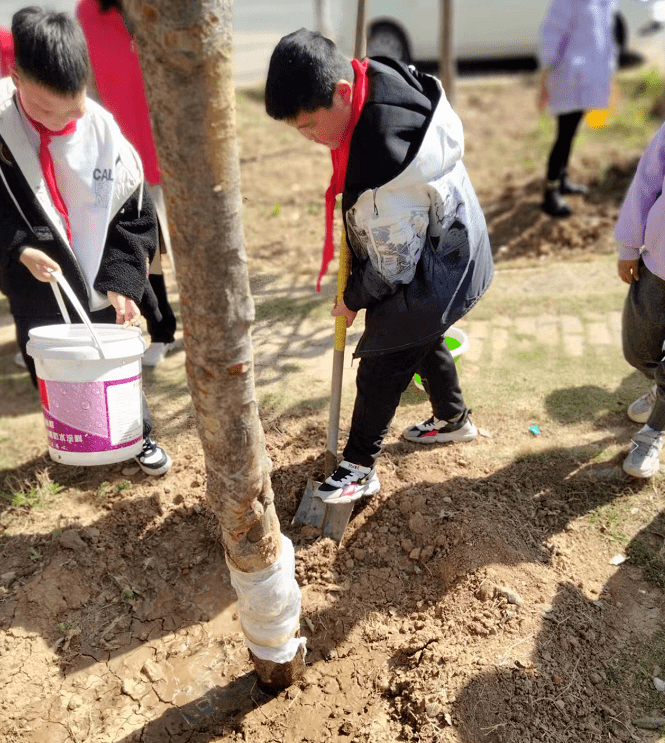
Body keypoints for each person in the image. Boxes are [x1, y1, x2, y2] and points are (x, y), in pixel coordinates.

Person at [264, 29, 493, 505]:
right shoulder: (375, 75)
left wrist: (351, 299)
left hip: (436, 262)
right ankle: (454, 420)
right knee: (421, 339)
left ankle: (359, 465)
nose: (308, 139)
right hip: (447, 234)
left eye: (308, 125)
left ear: (342, 92)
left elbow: (393, 268)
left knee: (382, 362)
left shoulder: (387, 167)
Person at [0, 7, 171, 476]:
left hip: (98, 282)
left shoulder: (102, 133)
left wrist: (122, 277)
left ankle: (137, 436)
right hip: (36, 286)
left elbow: (134, 218)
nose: (61, 122)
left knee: (112, 365)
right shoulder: (2, 127)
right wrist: (17, 248)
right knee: (53, 369)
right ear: (16, 78)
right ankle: (76, 438)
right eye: (47, 110)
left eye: (72, 108)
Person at [76, 0, 177, 367]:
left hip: (165, 149)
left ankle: (164, 328)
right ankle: (161, 328)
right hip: (114, 151)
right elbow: (85, 86)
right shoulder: (90, 13)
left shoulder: (159, 9)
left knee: (160, 244)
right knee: (135, 245)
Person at [614, 121, 665, 478]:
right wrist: (630, 244)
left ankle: (653, 433)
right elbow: (645, 184)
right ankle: (660, 386)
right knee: (637, 349)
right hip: (658, 264)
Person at [537, 0, 617, 218]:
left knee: (570, 134)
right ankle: (550, 193)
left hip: (588, 79)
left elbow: (605, 39)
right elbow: (552, 35)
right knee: (564, 136)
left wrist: (609, 74)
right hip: (567, 80)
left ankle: (561, 180)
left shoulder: (603, 3)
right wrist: (543, 80)